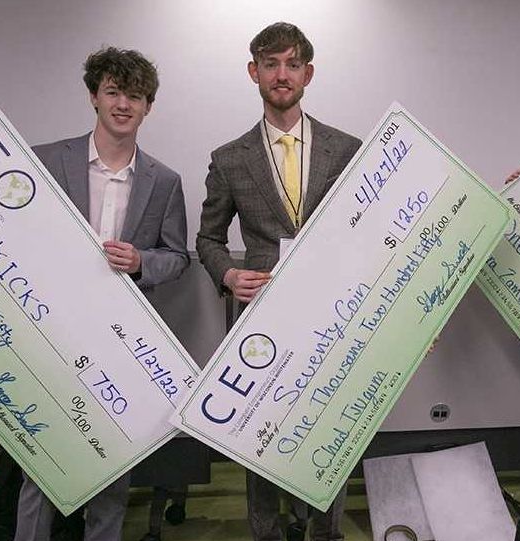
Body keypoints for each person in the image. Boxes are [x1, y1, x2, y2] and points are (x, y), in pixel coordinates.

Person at [15, 46, 189, 541]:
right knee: (41, 468)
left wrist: (139, 263)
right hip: (51, 335)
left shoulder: (165, 181)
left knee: (113, 466)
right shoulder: (46, 160)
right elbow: (16, 242)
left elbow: (175, 257)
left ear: (148, 106)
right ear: (94, 96)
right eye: (113, 92)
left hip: (120, 344)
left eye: (135, 96)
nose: (123, 104)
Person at [196, 22, 360, 541]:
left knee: (330, 426)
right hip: (261, 319)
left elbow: (370, 238)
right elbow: (208, 238)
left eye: (292, 64)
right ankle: (266, 532)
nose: (281, 74)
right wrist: (226, 273)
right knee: (261, 431)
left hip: (331, 316)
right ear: (254, 72)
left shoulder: (348, 149)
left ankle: (325, 531)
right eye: (270, 64)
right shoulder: (228, 158)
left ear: (308, 73)